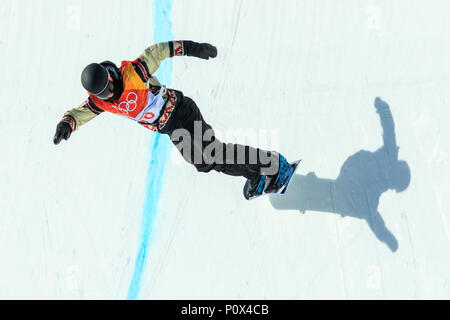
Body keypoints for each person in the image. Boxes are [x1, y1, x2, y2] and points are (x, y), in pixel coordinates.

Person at [53, 40, 292, 199]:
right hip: (170, 127)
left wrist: (194, 48)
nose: (109, 93)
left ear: (110, 76)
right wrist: (67, 123)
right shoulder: (100, 102)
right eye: (102, 92)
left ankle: (275, 165)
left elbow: (159, 51)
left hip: (180, 111)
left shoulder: (133, 73)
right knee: (203, 162)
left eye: (108, 86)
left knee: (213, 152)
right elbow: (80, 112)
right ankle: (256, 175)